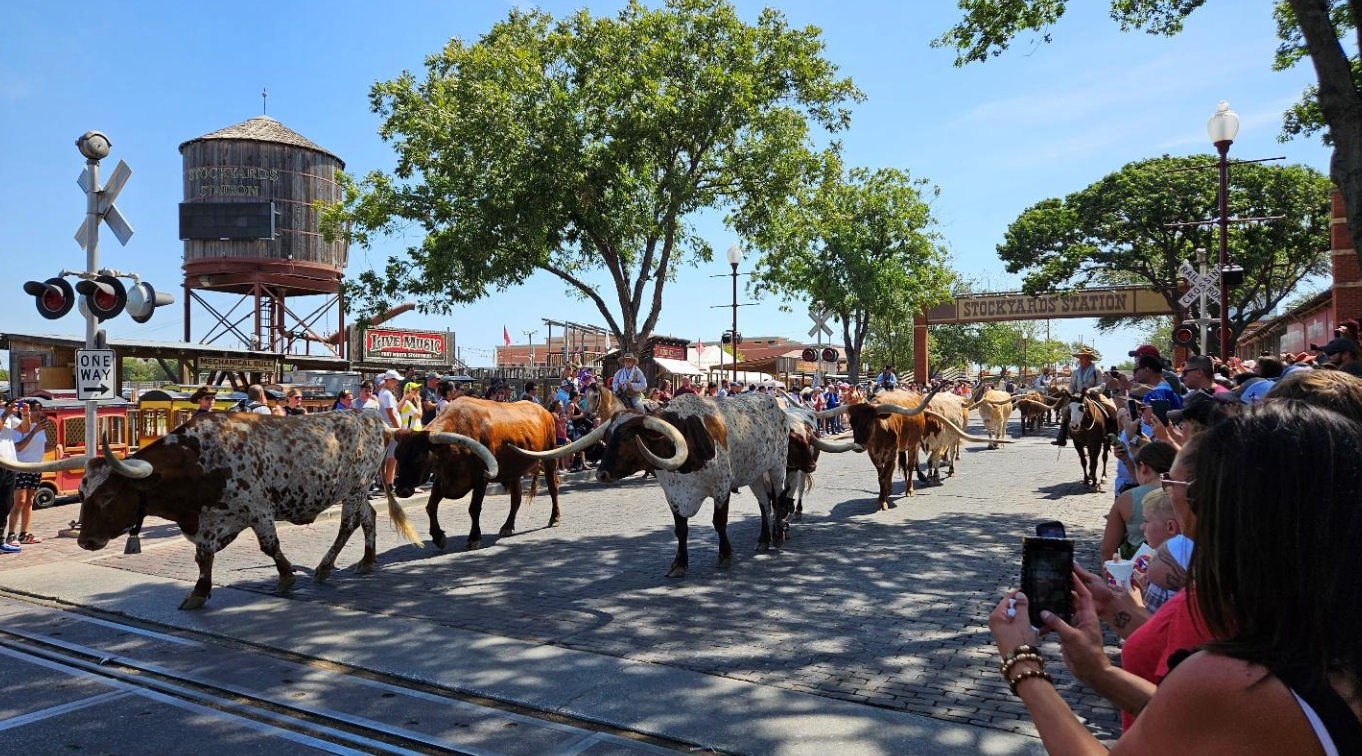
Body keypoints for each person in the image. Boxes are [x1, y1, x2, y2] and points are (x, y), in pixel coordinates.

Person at [988, 402, 1362, 751]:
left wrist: (1024, 668)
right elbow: (1192, 718)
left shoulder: (1233, 676)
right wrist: (1101, 662)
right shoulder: (1312, 631)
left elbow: (1201, 708)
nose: (1167, 494)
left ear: (1216, 501)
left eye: (1173, 484)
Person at [1099, 440, 1176, 561]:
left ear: (1144, 467)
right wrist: (1126, 460)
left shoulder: (1126, 498)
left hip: (1136, 570)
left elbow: (1107, 550)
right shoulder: (1182, 494)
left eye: (1136, 468)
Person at [5, 402, 47, 547]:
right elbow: (18, 448)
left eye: (39, 410)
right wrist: (33, 432)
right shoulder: (19, 427)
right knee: (19, 501)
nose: (38, 413)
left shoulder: (41, 428)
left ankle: (24, 533)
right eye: (35, 410)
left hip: (35, 467)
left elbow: (41, 446)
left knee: (30, 500)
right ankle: (11, 534)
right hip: (21, 466)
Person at [1053, 346, 1103, 447]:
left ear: (1089, 358)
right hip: (1077, 397)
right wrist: (1070, 395)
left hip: (1093, 396)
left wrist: (1091, 390)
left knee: (1109, 408)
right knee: (1066, 410)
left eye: (1083, 358)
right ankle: (1062, 437)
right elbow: (1071, 386)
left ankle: (1109, 433)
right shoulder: (1075, 372)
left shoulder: (1096, 371)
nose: (1080, 360)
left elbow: (1101, 385)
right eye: (1080, 358)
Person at [377, 370, 402, 487]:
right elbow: (391, 413)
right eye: (395, 380)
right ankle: (389, 483)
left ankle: (386, 483)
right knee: (392, 457)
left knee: (390, 457)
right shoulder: (386, 394)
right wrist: (399, 429)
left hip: (389, 428)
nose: (397, 383)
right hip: (392, 429)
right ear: (389, 380)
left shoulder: (384, 392)